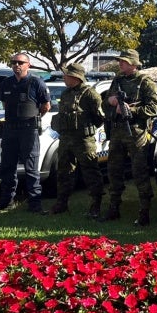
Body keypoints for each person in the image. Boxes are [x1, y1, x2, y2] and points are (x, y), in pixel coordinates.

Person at [99, 49, 157, 226]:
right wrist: (111, 104)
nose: (120, 64)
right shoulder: (117, 81)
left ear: (133, 63)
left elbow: (153, 108)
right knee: (114, 170)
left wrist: (130, 110)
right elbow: (105, 105)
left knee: (139, 171)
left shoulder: (145, 82)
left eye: (124, 61)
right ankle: (114, 207)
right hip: (117, 131)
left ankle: (144, 211)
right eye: (120, 61)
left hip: (136, 132)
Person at [0, 53, 51, 213]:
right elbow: (4, 103)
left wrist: (31, 119)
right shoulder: (6, 83)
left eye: (20, 62)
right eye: (14, 62)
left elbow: (46, 106)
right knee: (7, 166)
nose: (17, 65)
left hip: (28, 130)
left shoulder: (36, 82)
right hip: (10, 129)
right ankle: (7, 201)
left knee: (31, 168)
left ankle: (35, 204)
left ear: (27, 65)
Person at [49, 62, 106, 217]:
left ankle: (96, 205)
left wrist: (85, 127)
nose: (64, 77)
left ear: (75, 77)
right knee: (64, 171)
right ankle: (62, 203)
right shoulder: (66, 93)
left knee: (90, 171)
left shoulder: (90, 94)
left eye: (66, 74)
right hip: (66, 138)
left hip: (83, 140)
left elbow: (100, 117)